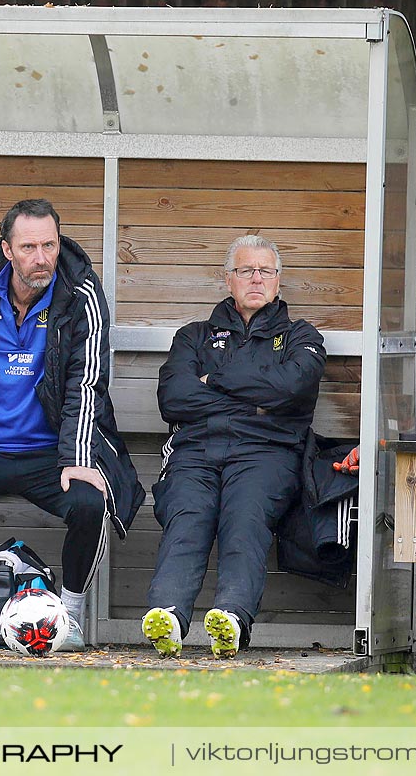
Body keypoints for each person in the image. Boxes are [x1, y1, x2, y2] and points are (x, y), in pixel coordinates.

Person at [0, 198, 144, 651]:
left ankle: (67, 617)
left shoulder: (81, 292)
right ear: (7, 249)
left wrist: (76, 458)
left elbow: (87, 378)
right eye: (29, 246)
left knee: (92, 502)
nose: (42, 257)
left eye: (49, 245)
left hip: (50, 452)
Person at [142, 235, 324, 658]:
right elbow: (173, 398)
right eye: (246, 270)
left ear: (278, 281)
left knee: (245, 517)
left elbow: (293, 388)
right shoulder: (194, 337)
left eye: (265, 271)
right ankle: (167, 616)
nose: (256, 278)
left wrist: (216, 380)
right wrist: (257, 400)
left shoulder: (302, 337)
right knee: (188, 515)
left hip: (268, 454)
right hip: (195, 450)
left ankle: (232, 618)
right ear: (229, 280)